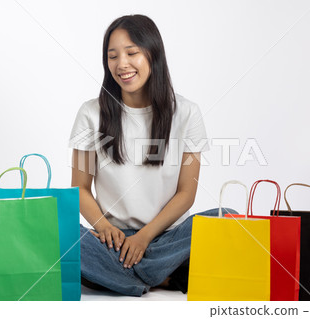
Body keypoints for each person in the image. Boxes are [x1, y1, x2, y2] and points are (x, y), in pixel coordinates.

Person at [69, 14, 231, 296]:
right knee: (62, 236)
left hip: (167, 236)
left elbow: (186, 193)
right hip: (112, 239)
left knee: (228, 219)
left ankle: (123, 278)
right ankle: (164, 278)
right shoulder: (90, 113)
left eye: (132, 53)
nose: (122, 64)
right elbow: (80, 188)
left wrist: (144, 238)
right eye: (113, 56)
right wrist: (105, 228)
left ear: (153, 54)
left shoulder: (187, 113)